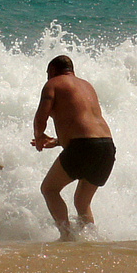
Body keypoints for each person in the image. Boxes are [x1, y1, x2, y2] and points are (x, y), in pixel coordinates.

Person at [31, 55, 114, 241]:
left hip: (82, 147)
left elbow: (41, 116)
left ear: (52, 70)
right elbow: (84, 124)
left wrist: (39, 137)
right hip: (106, 147)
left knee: (49, 189)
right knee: (82, 202)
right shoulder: (87, 86)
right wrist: (58, 141)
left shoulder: (53, 84)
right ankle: (91, 240)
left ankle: (67, 237)